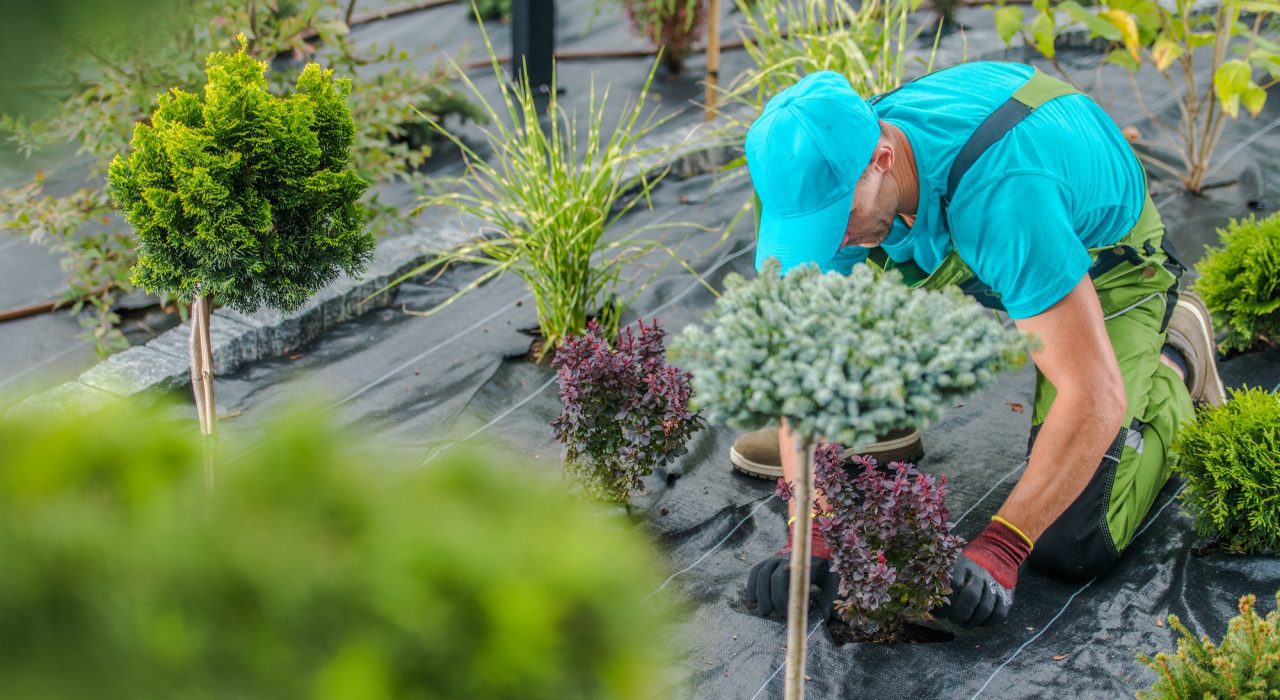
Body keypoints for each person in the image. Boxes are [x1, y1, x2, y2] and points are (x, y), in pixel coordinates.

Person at [738, 62, 1227, 629]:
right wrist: (810, 525)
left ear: (883, 159)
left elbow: (1091, 394)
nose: (834, 238)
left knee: (1072, 538)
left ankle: (1174, 361)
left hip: (1105, 263)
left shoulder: (1006, 198)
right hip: (985, 233)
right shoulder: (843, 165)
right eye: (813, 225)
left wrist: (1004, 544)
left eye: (838, 219)